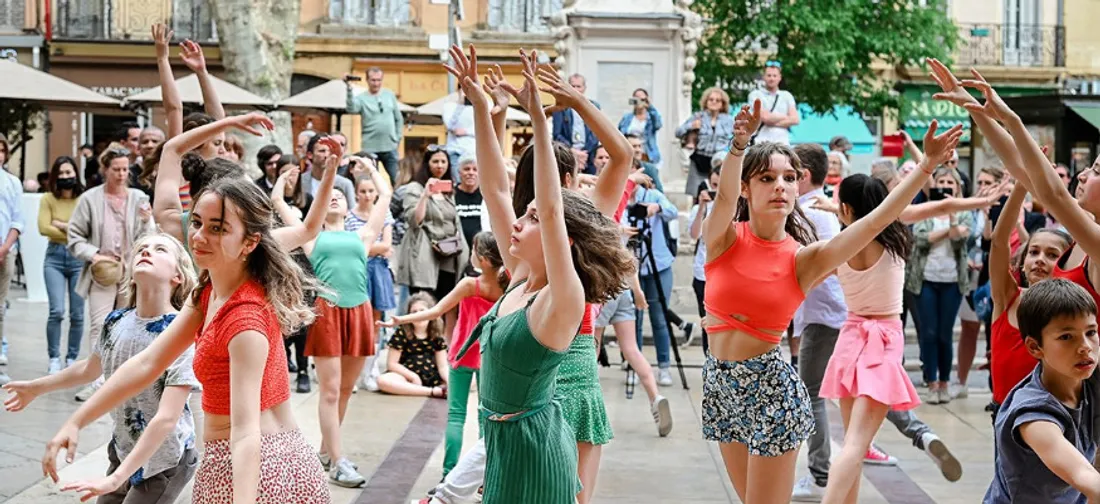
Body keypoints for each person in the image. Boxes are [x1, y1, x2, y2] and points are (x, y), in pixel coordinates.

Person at [701, 92, 962, 502]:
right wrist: (738, 146)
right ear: (746, 189)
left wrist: (926, 165)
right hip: (720, 383)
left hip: (770, 389)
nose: (780, 186)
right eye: (767, 178)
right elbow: (723, 198)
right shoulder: (723, 238)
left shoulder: (805, 259)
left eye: (789, 178)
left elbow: (877, 220)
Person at [41, 165, 332, 502]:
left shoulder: (244, 321)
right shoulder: (209, 290)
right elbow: (147, 363)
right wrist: (77, 421)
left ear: (249, 242)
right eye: (197, 223)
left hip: (260, 471)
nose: (199, 237)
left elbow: (245, 433)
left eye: (217, 228)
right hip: (238, 462)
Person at [447, 44, 634, 504]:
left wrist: (564, 107)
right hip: (518, 395)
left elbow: (614, 163)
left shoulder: (571, 237)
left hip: (569, 376)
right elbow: (495, 188)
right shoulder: (522, 265)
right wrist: (484, 110)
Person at [5, 233, 199, 503]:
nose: (146, 252)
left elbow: (167, 419)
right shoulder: (116, 321)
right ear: (131, 274)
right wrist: (37, 388)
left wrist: (117, 478)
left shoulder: (181, 332)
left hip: (165, 460)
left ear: (178, 275)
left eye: (159, 249)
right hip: (122, 447)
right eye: (141, 248)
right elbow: (90, 368)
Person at [278, 138, 391, 488]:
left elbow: (385, 196)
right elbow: (279, 203)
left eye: (341, 195)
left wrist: (370, 168)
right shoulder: (312, 237)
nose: (337, 198)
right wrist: (284, 180)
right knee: (329, 391)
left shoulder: (363, 236)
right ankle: (338, 462)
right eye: (330, 197)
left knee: (344, 389)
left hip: (359, 311)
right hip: (327, 312)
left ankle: (327, 452)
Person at [818, 172, 926, 503]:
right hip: (883, 340)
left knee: (853, 443)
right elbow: (938, 206)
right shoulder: (894, 238)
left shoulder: (838, 247)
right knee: (856, 444)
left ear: (846, 208)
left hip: (851, 338)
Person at [381, 231, 506, 475]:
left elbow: (435, 311)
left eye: (473, 251)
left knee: (456, 415)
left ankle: (448, 473)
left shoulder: (470, 284)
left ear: (483, 260)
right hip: (490, 356)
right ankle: (486, 475)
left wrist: (400, 319)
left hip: (462, 354)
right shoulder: (507, 285)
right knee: (486, 417)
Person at [984, 279, 1100, 503]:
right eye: (1066, 337)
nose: (1085, 346)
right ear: (1035, 347)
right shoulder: (1033, 414)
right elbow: (1086, 478)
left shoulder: (1089, 370)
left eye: (1091, 332)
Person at [68, 147, 156, 401]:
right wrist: (95, 255)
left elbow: (149, 237)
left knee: (127, 326)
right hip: (102, 273)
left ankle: (119, 381)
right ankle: (95, 382)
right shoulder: (90, 199)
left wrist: (147, 220)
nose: (121, 174)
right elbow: (74, 236)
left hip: (130, 275)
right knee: (99, 324)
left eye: (125, 169)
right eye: (116, 169)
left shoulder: (139, 198)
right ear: (104, 169)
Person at [989, 184, 1072, 409]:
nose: (1040, 259)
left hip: (1054, 413)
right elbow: (998, 242)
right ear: (1023, 262)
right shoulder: (1008, 298)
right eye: (1033, 252)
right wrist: (1021, 185)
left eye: (1052, 255)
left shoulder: (1073, 308)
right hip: (1004, 411)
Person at [906, 167, 975, 404]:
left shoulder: (964, 213)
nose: (945, 186)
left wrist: (952, 218)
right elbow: (920, 239)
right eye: (942, 182)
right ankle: (932, 383)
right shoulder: (925, 211)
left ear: (957, 187)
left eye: (950, 183)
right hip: (925, 279)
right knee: (929, 333)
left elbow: (959, 240)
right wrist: (950, 230)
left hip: (952, 282)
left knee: (945, 335)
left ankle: (945, 382)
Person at [395, 144, 468, 312]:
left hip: (448, 254)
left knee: (446, 306)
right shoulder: (415, 188)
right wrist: (425, 195)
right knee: (424, 304)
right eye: (435, 161)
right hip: (424, 254)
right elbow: (414, 220)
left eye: (443, 161)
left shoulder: (449, 190)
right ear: (427, 164)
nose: (440, 166)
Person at [39, 156, 86, 374]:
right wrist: (72, 229)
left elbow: (86, 230)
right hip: (54, 258)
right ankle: (54, 358)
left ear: (75, 173)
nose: (65, 176)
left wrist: (61, 225)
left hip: (78, 259)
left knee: (77, 314)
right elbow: (43, 228)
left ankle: (72, 358)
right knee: (56, 311)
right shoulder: (48, 199)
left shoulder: (83, 199)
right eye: (61, 173)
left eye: (69, 172)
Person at [376, 292, 449, 397]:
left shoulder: (436, 334)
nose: (418, 315)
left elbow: (442, 366)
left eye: (422, 311)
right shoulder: (402, 332)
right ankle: (431, 392)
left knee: (469, 379)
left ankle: (439, 389)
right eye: (414, 312)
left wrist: (449, 382)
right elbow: (392, 364)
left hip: (432, 376)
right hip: (406, 377)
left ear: (431, 314)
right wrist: (413, 376)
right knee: (382, 381)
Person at [346, 173, 396, 322]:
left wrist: (363, 247)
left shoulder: (384, 213)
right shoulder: (349, 216)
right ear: (356, 193)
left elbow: (386, 244)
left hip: (379, 267)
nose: (367, 195)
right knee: (361, 310)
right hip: (358, 268)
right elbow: (351, 248)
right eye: (363, 191)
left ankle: (376, 337)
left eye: (371, 191)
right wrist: (378, 249)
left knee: (377, 312)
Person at [346, 68, 403, 181]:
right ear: (367, 80)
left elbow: (398, 118)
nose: (376, 83)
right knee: (371, 179)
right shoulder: (361, 98)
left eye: (379, 80)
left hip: (390, 146)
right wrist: (349, 89)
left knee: (397, 179)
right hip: (370, 146)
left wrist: (398, 137)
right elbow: (351, 109)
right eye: (373, 80)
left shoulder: (389, 95)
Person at [675, 87, 734, 194]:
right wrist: (691, 126)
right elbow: (678, 132)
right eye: (711, 99)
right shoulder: (698, 116)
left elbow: (739, 138)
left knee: (718, 193)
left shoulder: (729, 120)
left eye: (718, 100)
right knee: (696, 193)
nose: (714, 102)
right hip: (699, 159)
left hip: (718, 161)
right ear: (706, 101)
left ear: (723, 104)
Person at [0, 137, 22, 386]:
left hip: (6, 249)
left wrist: (5, 247)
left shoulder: (12, 182)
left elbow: (18, 219)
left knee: (0, 308)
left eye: (1, 150)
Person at [550, 73, 601, 175]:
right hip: (567, 155)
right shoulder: (560, 107)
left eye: (578, 86)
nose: (576, 89)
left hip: (588, 157)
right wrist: (572, 151)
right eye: (573, 86)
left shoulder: (594, 106)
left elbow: (597, 132)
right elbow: (557, 134)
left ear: (584, 88)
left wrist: (584, 153)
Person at [747, 60, 800, 145]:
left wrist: (771, 121)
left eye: (775, 76)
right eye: (769, 75)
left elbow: (795, 119)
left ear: (780, 77)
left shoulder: (787, 95)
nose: (772, 78)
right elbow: (765, 117)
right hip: (761, 142)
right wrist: (786, 117)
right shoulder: (755, 95)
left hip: (782, 142)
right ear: (764, 77)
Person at [301, 133, 356, 207]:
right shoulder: (300, 181)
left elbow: (351, 210)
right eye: (322, 151)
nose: (326, 155)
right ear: (310, 155)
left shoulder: (345, 184)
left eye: (330, 151)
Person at [618, 88, 663, 166]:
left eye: (642, 99)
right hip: (629, 153)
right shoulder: (627, 117)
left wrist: (650, 107)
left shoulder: (651, 118)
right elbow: (620, 134)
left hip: (647, 154)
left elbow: (658, 125)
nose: (639, 101)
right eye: (636, 99)